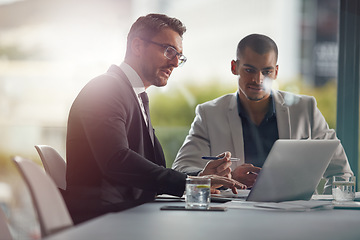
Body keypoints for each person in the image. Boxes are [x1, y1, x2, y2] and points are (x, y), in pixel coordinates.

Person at [65, 13, 244, 224]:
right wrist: (188, 182)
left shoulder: (134, 94)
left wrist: (198, 178)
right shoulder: (106, 89)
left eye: (180, 56)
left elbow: (149, 165)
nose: (175, 63)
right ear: (138, 46)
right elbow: (116, 160)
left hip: (129, 214)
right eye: (169, 51)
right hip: (106, 220)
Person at [172, 33, 353, 191]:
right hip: (231, 215)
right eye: (249, 70)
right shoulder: (209, 114)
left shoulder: (305, 109)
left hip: (295, 217)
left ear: (276, 72)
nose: (258, 79)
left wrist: (326, 211)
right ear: (234, 67)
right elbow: (181, 170)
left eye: (266, 71)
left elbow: (341, 173)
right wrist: (224, 178)